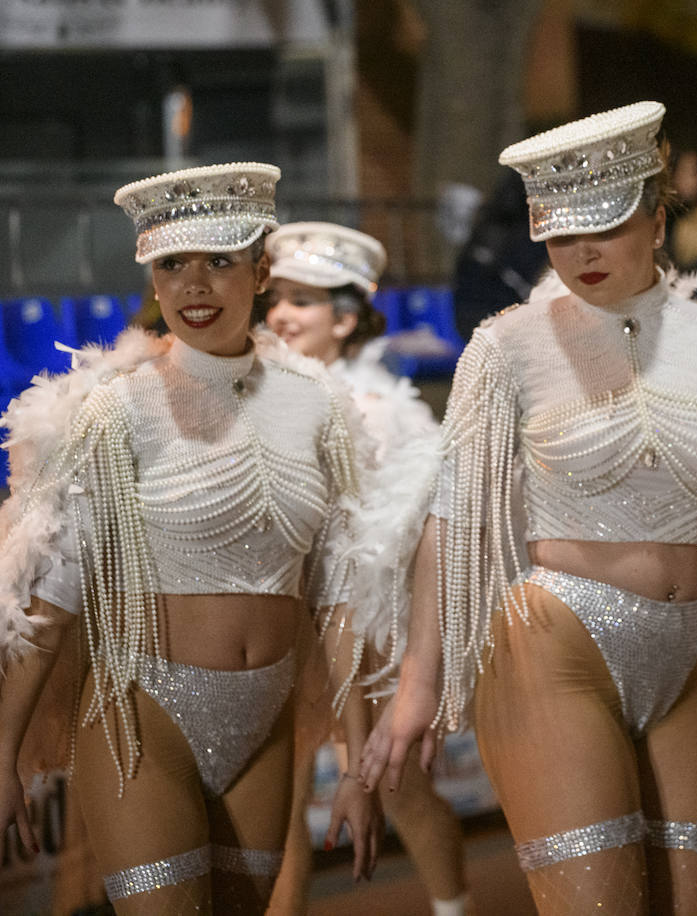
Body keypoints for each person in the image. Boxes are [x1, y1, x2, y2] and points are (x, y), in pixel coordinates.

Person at [359, 101, 697, 915]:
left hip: (683, 657)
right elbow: (454, 521)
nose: (581, 251)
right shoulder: (505, 348)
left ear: (656, 211)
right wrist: (417, 685)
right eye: (560, 232)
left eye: (603, 226)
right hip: (552, 644)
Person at [0, 162, 382, 914]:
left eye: (219, 262)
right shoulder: (113, 408)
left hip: (267, 720)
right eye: (172, 265)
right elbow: (51, 587)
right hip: (143, 714)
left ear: (260, 268)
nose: (195, 285)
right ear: (152, 274)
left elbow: (343, 592)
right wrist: (2, 750)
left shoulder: (319, 407)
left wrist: (361, 764)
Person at [265, 221, 471, 916]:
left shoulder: (390, 414)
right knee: (277, 809)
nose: (281, 313)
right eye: (279, 297)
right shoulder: (258, 398)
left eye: (304, 300)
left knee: (395, 787)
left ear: (347, 319)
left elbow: (420, 537)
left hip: (367, 630)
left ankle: (452, 907)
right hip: (286, 632)